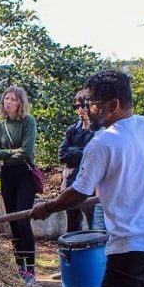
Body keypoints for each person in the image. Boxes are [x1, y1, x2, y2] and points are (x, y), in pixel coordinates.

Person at [30, 70, 144, 287]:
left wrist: (47, 208)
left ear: (113, 105)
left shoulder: (102, 142)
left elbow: (79, 193)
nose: (88, 109)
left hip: (133, 246)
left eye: (93, 103)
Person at [0, 85, 38, 285]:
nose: (8, 102)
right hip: (7, 174)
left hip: (24, 174)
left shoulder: (28, 122)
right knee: (12, 222)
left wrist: (6, 153)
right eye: (6, 99)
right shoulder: (0, 126)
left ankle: (31, 270)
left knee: (23, 220)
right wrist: (11, 153)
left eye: (13, 99)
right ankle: (20, 268)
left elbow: (26, 151)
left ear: (20, 102)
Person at [58, 89, 96, 232]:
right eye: (78, 106)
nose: (81, 109)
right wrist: (83, 151)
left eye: (85, 105)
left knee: (95, 225)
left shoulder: (98, 131)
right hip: (70, 181)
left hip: (90, 183)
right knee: (72, 225)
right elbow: (62, 154)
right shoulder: (72, 130)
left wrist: (73, 150)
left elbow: (94, 155)